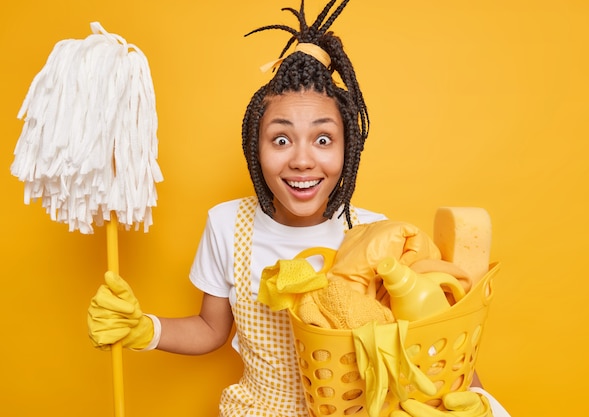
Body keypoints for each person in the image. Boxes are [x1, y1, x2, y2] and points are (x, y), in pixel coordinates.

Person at [88, 1, 511, 416]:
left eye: (323, 140)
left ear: (349, 150)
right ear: (256, 148)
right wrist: (145, 329)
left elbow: (428, 341)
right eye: (282, 139)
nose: (302, 160)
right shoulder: (226, 224)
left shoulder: (380, 235)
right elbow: (210, 329)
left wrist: (481, 402)